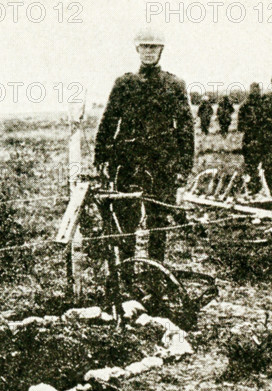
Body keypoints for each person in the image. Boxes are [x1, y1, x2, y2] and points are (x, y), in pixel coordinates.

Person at [94, 25, 194, 296]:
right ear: (137, 49)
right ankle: (125, 279)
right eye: (144, 47)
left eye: (154, 47)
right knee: (126, 222)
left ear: (161, 50)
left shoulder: (174, 84)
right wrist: (100, 156)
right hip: (127, 162)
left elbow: (185, 127)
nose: (149, 52)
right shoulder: (124, 83)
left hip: (163, 164)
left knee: (158, 222)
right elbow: (109, 120)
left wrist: (184, 166)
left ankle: (155, 279)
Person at [238, 83, 264, 192]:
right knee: (251, 161)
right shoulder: (246, 105)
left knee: (260, 161)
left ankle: (260, 184)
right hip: (252, 136)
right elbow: (240, 125)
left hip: (261, 136)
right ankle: (253, 185)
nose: (256, 91)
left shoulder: (264, 104)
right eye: (254, 89)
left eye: (257, 89)